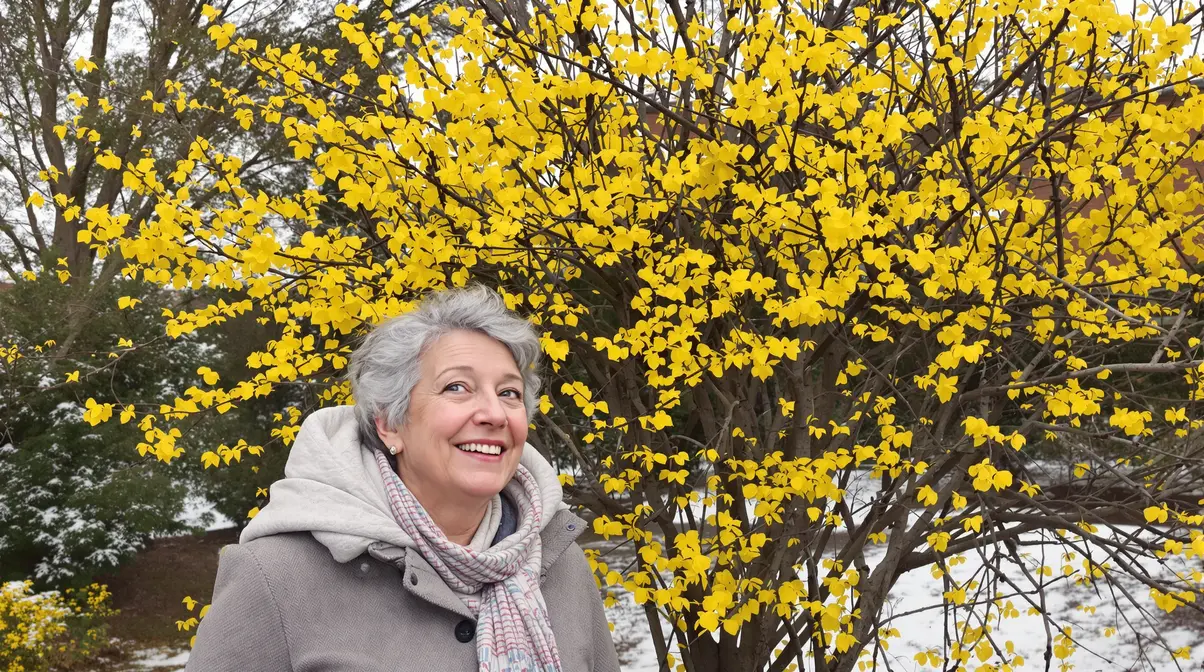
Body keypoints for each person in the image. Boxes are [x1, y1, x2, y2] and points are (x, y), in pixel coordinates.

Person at [186, 286, 621, 671]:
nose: (493, 413)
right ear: (389, 424)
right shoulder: (276, 577)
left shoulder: (559, 563)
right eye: (457, 387)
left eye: (508, 393)